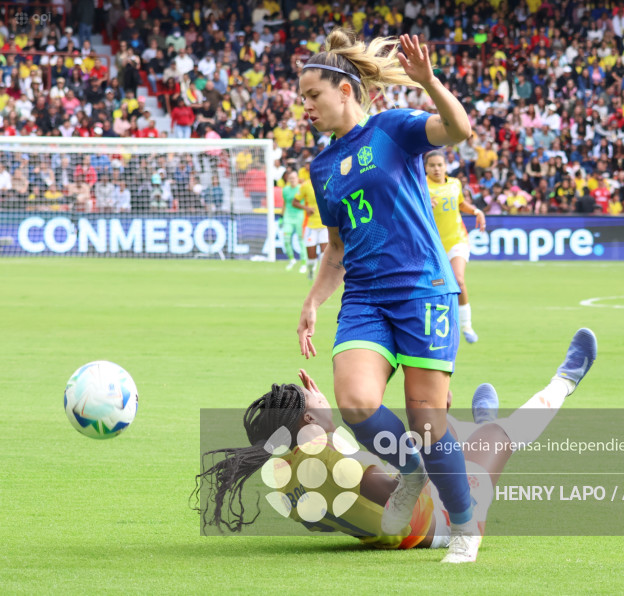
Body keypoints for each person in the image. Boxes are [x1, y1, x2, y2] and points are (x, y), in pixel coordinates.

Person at [296, 30, 478, 562]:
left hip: (421, 289)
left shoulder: (392, 130)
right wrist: (313, 301)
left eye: (313, 95)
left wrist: (428, 82)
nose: (305, 106)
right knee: (355, 401)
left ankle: (464, 526)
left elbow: (459, 130)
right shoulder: (322, 168)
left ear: (345, 90)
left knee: (427, 422)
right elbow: (336, 249)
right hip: (366, 298)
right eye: (302, 97)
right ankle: (412, 468)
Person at [193, 329, 597, 552]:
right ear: (309, 417)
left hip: (395, 527)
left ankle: (466, 423)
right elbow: (403, 487)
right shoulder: (335, 460)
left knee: (426, 433)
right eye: (316, 398)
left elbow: (328, 521)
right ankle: (565, 380)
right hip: (438, 524)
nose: (323, 394)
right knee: (494, 437)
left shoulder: (285, 477)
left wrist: (326, 430)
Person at [424, 150, 486, 343]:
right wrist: (424, 204)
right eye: (432, 165)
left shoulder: (455, 184)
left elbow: (460, 204)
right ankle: (439, 324)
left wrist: (476, 211)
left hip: (457, 239)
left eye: (440, 165)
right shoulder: (420, 186)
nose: (436, 169)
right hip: (432, 246)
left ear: (445, 166)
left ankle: (466, 324)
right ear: (425, 168)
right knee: (436, 285)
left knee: (458, 280)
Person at [297, 178, 328, 280]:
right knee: (311, 255)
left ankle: (322, 277)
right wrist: (306, 208)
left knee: (324, 254)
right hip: (311, 225)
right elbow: (295, 201)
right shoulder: (305, 185)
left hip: (324, 225)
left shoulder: (327, 182)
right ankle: (310, 271)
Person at [282, 170, 308, 272]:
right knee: (286, 239)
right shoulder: (285, 190)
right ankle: (292, 259)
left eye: (294, 178)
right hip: (288, 216)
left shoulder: (301, 188)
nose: (292, 180)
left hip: (299, 216)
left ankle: (303, 263)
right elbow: (285, 203)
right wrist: (281, 216)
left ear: (297, 179)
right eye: (290, 178)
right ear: (288, 179)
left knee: (301, 240)